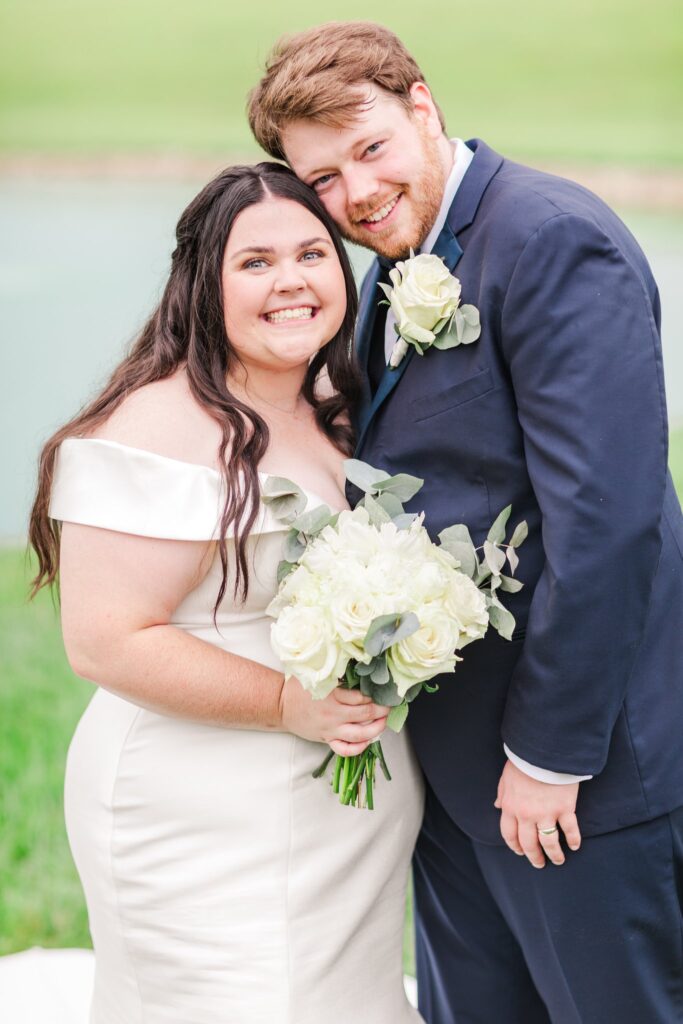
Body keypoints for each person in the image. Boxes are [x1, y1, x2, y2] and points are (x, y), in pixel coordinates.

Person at [248, 22, 683, 1024]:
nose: (353, 194)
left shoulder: (546, 240)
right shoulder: (386, 271)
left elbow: (605, 523)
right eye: (320, 179)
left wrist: (546, 758)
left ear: (422, 107)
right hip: (452, 774)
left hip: (576, 785)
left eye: (368, 149)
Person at [28, 162, 424, 1024]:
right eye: (254, 262)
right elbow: (104, 640)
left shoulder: (341, 407)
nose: (291, 282)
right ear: (202, 284)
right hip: (197, 808)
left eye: (312, 254)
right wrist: (288, 702)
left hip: (343, 824)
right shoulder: (150, 429)